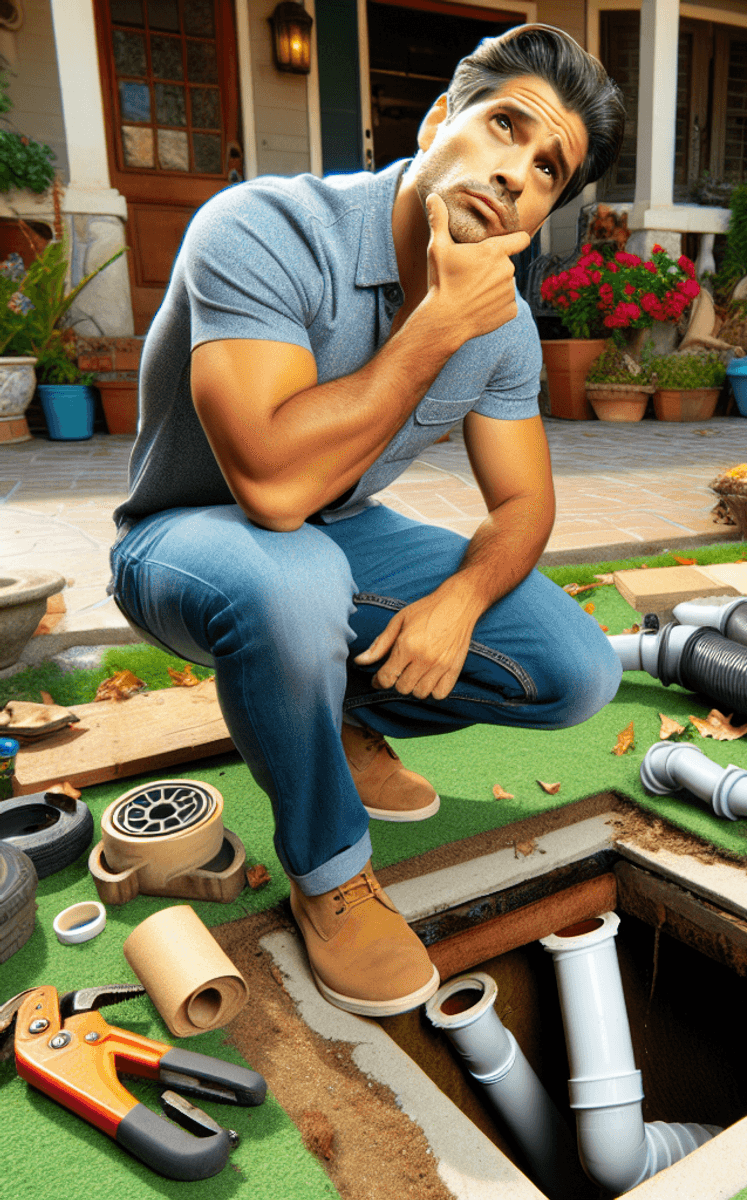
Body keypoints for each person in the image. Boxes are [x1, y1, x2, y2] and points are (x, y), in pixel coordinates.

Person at [109, 25, 626, 1017]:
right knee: (291, 578)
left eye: (547, 169)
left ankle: (337, 717)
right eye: (504, 126)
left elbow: (526, 504)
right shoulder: (263, 227)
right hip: (183, 536)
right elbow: (269, 489)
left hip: (332, 531)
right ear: (436, 122)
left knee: (576, 671)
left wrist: (461, 603)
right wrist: (438, 323)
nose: (515, 172)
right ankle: (330, 874)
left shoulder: (506, 327)